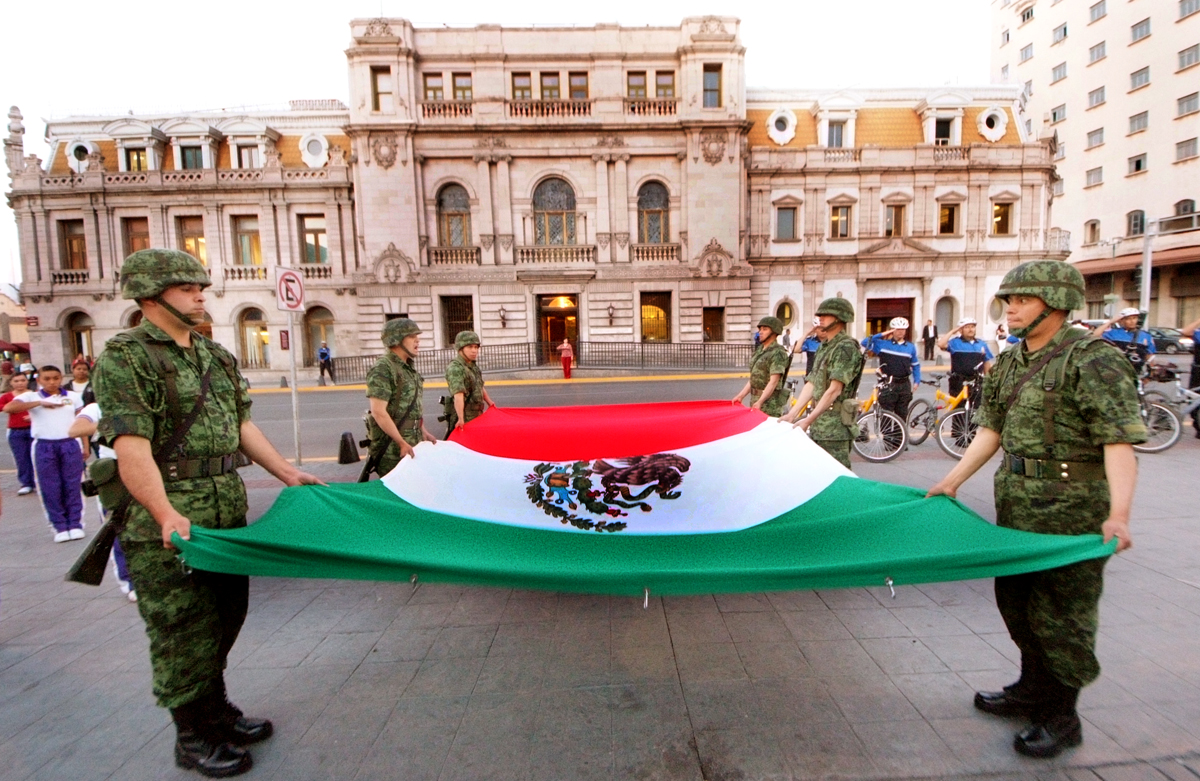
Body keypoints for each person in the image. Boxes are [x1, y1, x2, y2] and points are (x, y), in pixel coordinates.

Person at [93, 248, 322, 778]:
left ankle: (217, 710)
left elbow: (242, 425)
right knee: (181, 627)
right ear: (152, 297)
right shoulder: (126, 357)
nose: (200, 295)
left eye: (200, 286)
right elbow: (132, 447)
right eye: (186, 288)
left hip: (223, 508)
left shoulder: (212, 354)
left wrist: (287, 473)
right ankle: (192, 733)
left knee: (225, 615)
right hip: (169, 521)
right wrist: (164, 512)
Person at [927, 260, 1144, 759]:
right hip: (1019, 501)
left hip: (1074, 510)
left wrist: (1121, 514)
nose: (1012, 309)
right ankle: (1031, 688)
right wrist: (951, 482)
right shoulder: (1009, 361)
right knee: (1018, 602)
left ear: (1055, 303)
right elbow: (991, 431)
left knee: (1062, 613)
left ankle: (1061, 714)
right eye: (1009, 301)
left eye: (1022, 300)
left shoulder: (1092, 359)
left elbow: (1118, 442)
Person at [4, 365, 85, 542]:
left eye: (56, 378)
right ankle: (59, 526)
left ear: (61, 378)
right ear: (39, 380)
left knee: (72, 485)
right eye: (47, 379)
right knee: (50, 486)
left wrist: (85, 447)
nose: (52, 382)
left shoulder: (73, 397)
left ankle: (75, 524)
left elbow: (81, 422)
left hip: (69, 443)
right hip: (44, 444)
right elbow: (9, 408)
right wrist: (39, 403)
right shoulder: (31, 396)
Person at [781, 298, 864, 469]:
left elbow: (834, 390)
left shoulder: (845, 348)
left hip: (836, 428)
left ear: (840, 318)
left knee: (838, 480)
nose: (821, 318)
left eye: (826, 315)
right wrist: (793, 414)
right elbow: (812, 382)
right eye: (820, 315)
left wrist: (808, 420)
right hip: (820, 424)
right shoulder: (824, 346)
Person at [68, 403, 137, 602]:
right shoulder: (96, 408)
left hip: (149, 468)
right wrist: (117, 423)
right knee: (117, 529)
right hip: (114, 477)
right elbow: (76, 429)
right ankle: (129, 582)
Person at [366, 318, 438, 477]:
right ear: (396, 340)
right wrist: (401, 443)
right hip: (393, 450)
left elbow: (411, 408)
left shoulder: (407, 367)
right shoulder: (383, 368)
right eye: (412, 336)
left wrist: (423, 431)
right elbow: (378, 412)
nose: (417, 340)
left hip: (411, 443)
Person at [732, 316, 791, 417]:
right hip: (755, 400)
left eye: (765, 329)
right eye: (760, 329)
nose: (760, 332)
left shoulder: (778, 353)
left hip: (769, 404)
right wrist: (741, 396)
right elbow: (754, 378)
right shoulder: (760, 350)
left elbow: (773, 382)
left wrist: (760, 401)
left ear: (774, 332)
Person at [864, 317, 921, 420]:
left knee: (902, 414)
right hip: (888, 383)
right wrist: (883, 334)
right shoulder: (883, 345)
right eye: (897, 329)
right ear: (892, 330)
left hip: (904, 384)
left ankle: (901, 436)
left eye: (903, 329)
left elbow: (915, 365)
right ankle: (887, 436)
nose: (900, 332)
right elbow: (864, 342)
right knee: (886, 414)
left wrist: (917, 380)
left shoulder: (910, 347)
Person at [443, 330, 498, 435]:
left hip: (477, 414)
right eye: (470, 347)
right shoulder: (456, 368)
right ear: (460, 348)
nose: (474, 351)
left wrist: (490, 403)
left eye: (476, 347)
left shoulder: (472, 366)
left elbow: (479, 385)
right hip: (465, 416)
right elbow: (458, 395)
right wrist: (460, 418)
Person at [938, 317, 995, 401]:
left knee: (975, 409)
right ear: (961, 330)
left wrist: (988, 382)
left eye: (972, 327)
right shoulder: (955, 342)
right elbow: (941, 344)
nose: (970, 329)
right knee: (959, 410)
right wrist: (953, 331)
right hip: (958, 383)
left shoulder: (982, 344)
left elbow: (986, 363)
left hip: (976, 382)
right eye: (967, 327)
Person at [0, 372, 37, 495]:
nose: (20, 383)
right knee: (21, 458)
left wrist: (32, 416)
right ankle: (26, 483)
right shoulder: (7, 397)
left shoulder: (34, 395)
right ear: (11, 383)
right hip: (16, 430)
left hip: (34, 429)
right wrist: (12, 408)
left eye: (22, 380)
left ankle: (39, 481)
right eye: (16, 381)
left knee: (36, 456)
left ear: (27, 381)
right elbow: (2, 407)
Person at [1092, 307, 1156, 372]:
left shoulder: (1146, 336)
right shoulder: (1113, 333)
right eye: (1128, 319)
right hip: (1116, 371)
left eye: (1134, 318)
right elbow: (1094, 335)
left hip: (1136, 371)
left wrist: (1149, 375)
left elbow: (1150, 356)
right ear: (1122, 321)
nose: (1132, 321)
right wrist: (1110, 322)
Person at [1180, 315, 1200, 437]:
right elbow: (1186, 331)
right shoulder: (1198, 334)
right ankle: (1197, 426)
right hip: (1198, 371)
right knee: (1194, 398)